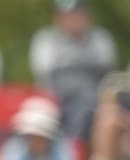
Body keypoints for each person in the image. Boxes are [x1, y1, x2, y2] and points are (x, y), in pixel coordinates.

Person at [29, 0, 116, 142]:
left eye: (79, 14)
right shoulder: (45, 40)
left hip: (94, 102)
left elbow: (107, 75)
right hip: (56, 102)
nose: (75, 18)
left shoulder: (100, 38)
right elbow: (47, 76)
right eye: (69, 14)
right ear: (58, 17)